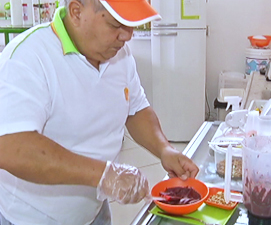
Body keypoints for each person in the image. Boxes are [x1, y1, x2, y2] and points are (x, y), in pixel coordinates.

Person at [0, 0, 200, 224]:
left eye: (131, 25)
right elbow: (10, 147)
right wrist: (104, 175)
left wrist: (164, 150)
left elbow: (136, 110)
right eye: (116, 25)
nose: (127, 36)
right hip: (33, 217)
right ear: (77, 12)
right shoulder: (28, 58)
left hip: (95, 212)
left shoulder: (120, 55)